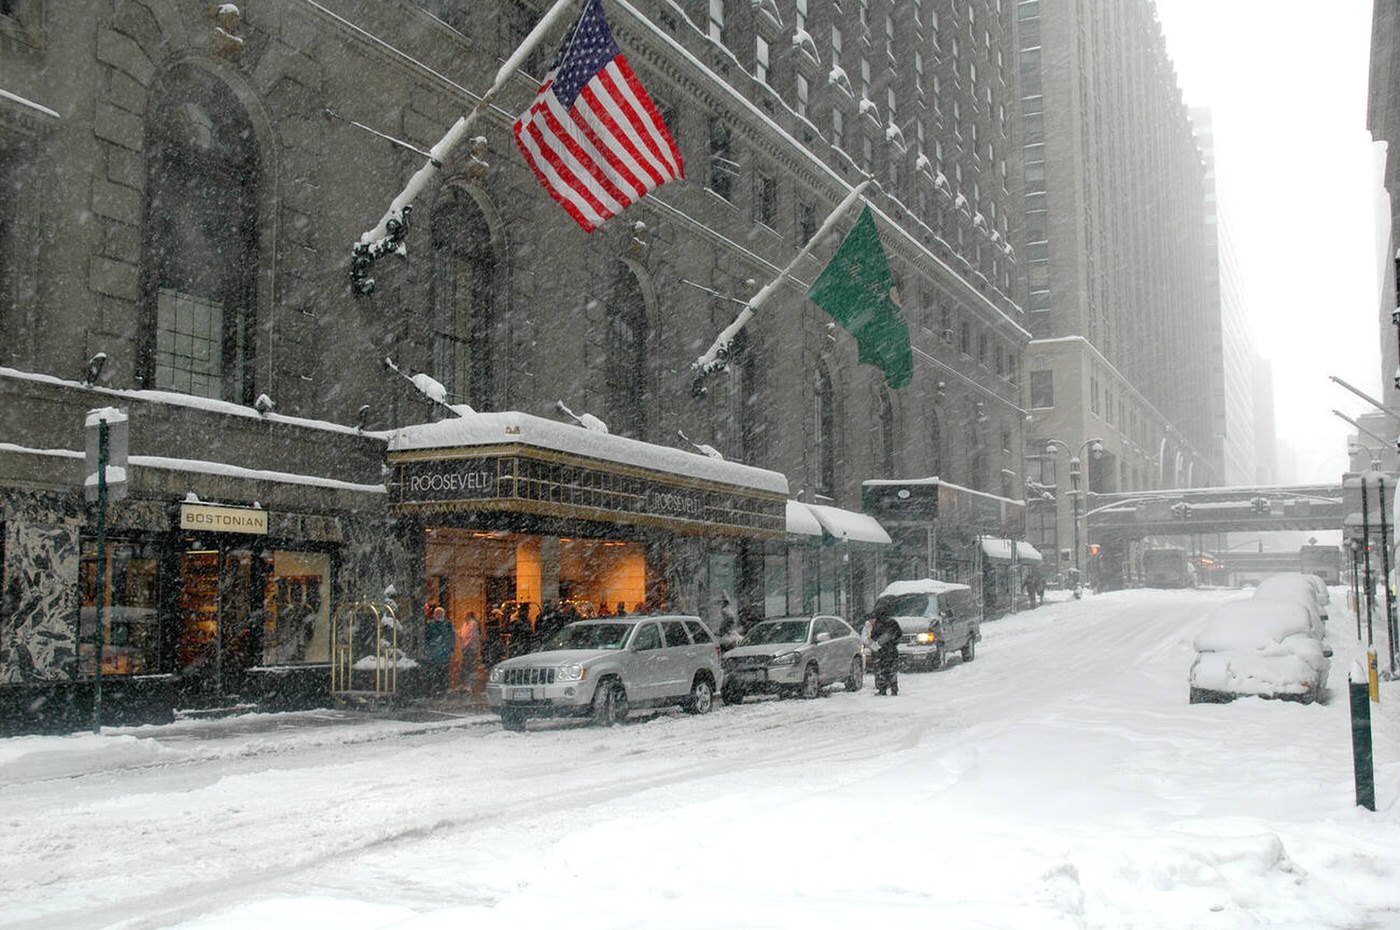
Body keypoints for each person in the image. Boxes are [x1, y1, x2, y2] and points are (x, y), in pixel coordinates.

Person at [868, 602, 902, 696]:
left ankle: (882, 689)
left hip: (881, 652)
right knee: (892, 670)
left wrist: (877, 645)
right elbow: (899, 634)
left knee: (882, 670)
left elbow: (873, 637)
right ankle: (894, 689)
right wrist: (893, 642)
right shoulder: (893, 622)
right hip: (892, 651)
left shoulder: (877, 625)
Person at [424, 606, 455, 692]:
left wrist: (451, 649)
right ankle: (437, 688)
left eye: (440, 613)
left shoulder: (448, 624)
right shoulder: (430, 624)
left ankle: (443, 688)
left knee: (444, 672)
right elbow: (427, 638)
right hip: (434, 653)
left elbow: (452, 637)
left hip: (444, 653)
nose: (438, 615)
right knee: (436, 672)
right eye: (437, 613)